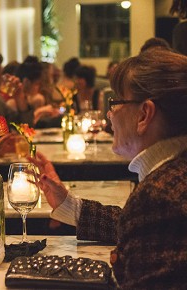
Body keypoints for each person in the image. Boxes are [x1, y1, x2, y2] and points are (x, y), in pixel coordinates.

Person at [30, 48, 187, 288]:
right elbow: (137, 225)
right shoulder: (172, 174)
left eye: (115, 102)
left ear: (144, 114)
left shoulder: (158, 196)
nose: (109, 114)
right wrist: (68, 204)